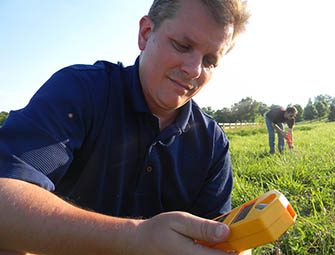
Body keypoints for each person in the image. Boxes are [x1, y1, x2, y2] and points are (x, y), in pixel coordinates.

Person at [0, 0, 250, 254]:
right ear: (146, 33)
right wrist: (134, 238)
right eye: (182, 46)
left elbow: (217, 237)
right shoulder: (81, 91)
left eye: (209, 61)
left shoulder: (212, 143)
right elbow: (5, 195)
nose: (194, 70)